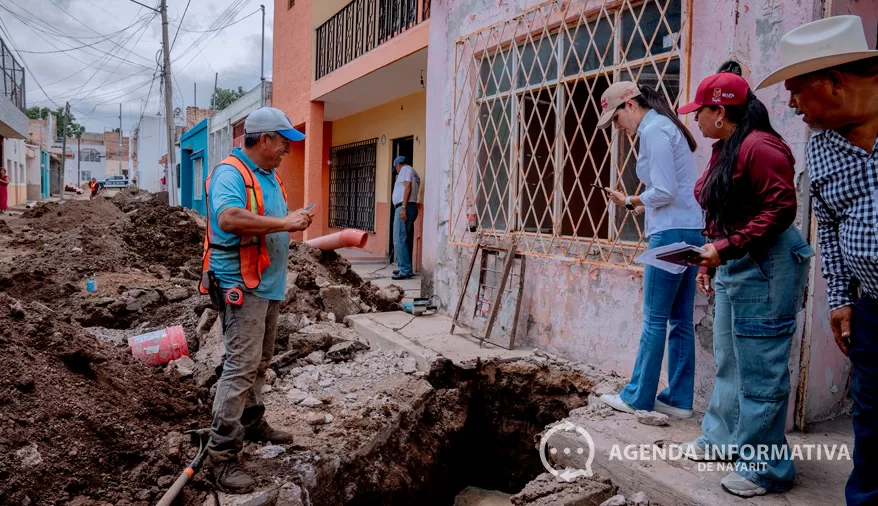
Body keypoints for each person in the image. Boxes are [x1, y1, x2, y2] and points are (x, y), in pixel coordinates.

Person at [756, 15, 878, 505]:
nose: (791, 104)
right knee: (871, 420)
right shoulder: (822, 146)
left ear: (834, 82)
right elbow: (827, 225)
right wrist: (841, 299)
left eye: (795, 91)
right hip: (872, 307)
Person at [676, 72, 813, 497]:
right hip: (734, 260)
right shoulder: (727, 147)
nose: (696, 120)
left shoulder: (760, 147)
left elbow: (781, 208)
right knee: (730, 362)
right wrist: (711, 260)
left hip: (765, 264)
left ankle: (765, 467)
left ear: (719, 112)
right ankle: (722, 439)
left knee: (760, 370)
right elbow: (720, 208)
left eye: (699, 112)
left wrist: (726, 248)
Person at [200, 107, 313, 493]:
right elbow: (229, 218)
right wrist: (285, 223)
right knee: (240, 366)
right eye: (283, 142)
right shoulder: (231, 173)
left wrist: (291, 218)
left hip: (267, 284)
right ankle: (222, 455)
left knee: (259, 362)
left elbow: (268, 217)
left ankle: (251, 421)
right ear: (264, 139)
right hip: (241, 285)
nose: (287, 149)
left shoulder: (268, 175)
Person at [594, 81, 705, 419]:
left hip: (669, 234)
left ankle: (638, 397)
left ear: (630, 104)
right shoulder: (665, 126)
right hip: (690, 228)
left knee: (655, 318)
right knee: (680, 319)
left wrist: (631, 199)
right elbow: (673, 191)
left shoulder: (654, 131)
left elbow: (665, 191)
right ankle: (679, 400)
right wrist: (636, 204)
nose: (617, 127)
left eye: (616, 118)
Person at [391, 155, 421, 281]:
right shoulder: (414, 173)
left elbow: (408, 187)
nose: (397, 171)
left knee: (398, 239)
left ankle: (405, 270)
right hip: (411, 207)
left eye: (396, 169)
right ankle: (405, 267)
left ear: (398, 165)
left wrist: (403, 208)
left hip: (405, 207)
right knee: (406, 240)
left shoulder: (405, 169)